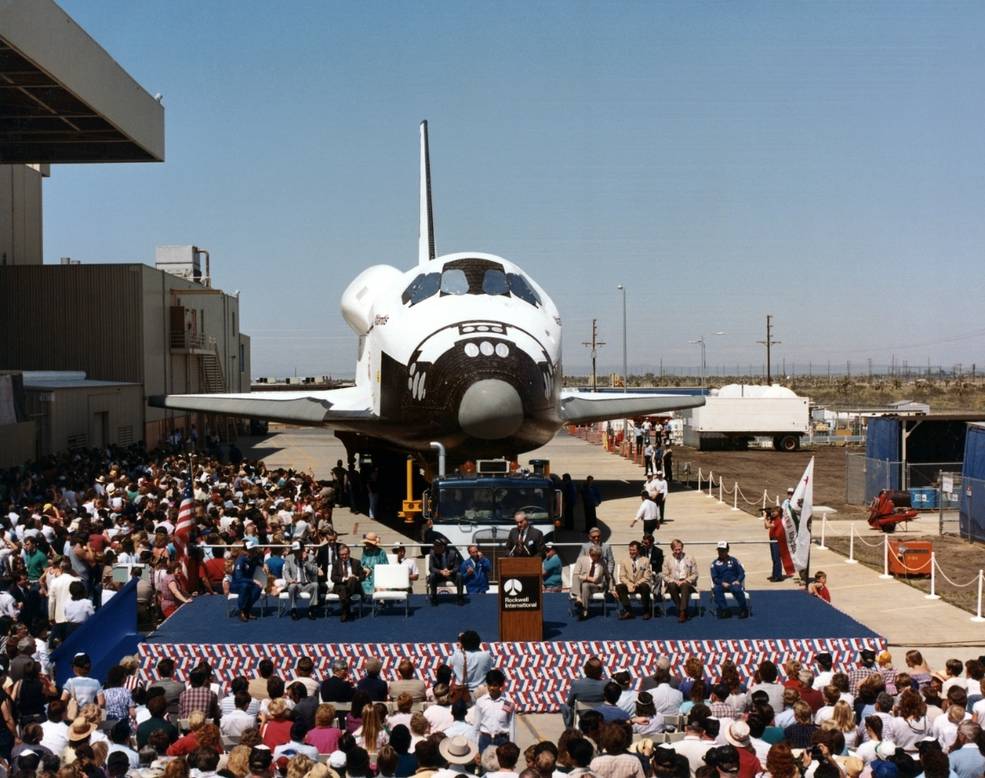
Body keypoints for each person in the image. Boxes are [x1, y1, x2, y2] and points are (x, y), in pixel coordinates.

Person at [474, 669, 514, 753]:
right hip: (485, 740)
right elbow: (476, 727)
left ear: (500, 686)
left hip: (502, 741)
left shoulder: (508, 702)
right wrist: (475, 747)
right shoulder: (481, 702)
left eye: (495, 685)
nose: (491, 688)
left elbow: (511, 725)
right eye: (489, 685)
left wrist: (512, 745)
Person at [561, 658, 608, 728]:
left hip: (584, 715)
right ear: (600, 671)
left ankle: (570, 730)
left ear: (585, 670)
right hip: (602, 715)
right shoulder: (607, 684)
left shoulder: (577, 684)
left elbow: (569, 704)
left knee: (565, 707)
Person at [661, 539, 698, 623]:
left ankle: (682, 612)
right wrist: (673, 580)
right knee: (671, 585)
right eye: (676, 549)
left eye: (679, 549)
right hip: (673, 582)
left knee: (684, 586)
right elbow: (664, 575)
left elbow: (695, 574)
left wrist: (686, 580)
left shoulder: (690, 558)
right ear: (672, 549)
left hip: (687, 582)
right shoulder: (667, 559)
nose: (678, 551)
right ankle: (682, 609)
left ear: (682, 548)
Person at [615, 541, 652, 620]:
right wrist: (628, 584)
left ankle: (646, 611)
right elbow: (622, 576)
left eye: (634, 550)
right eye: (630, 550)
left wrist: (637, 583)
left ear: (638, 550)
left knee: (645, 586)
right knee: (619, 587)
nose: (631, 552)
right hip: (629, 585)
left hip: (640, 585)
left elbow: (647, 577)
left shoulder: (645, 560)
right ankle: (629, 611)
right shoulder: (624, 561)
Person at [448, 631, 493, 696]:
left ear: (463, 643)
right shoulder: (486, 656)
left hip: (462, 693)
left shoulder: (456, 655)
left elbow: (451, 661)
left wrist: (460, 647)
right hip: (481, 693)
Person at [710, 542, 748, 619]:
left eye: (723, 550)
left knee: (737, 589)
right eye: (719, 550)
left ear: (727, 550)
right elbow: (714, 578)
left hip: (733, 583)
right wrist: (722, 583)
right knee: (716, 590)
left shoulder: (734, 561)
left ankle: (744, 609)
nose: (720, 552)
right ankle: (725, 610)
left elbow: (741, 573)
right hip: (722, 584)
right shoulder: (714, 564)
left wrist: (738, 580)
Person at [282, 543, 319, 621]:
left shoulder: (311, 557)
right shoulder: (289, 558)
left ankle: (311, 609)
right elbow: (286, 571)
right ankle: (293, 609)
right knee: (292, 586)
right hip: (296, 583)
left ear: (302, 550)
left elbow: (315, 571)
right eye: (294, 551)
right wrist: (290, 579)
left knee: (315, 585)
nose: (296, 553)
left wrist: (306, 562)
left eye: (298, 551)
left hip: (307, 583)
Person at [330, 544, 366, 622]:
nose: (344, 556)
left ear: (349, 553)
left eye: (346, 554)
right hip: (340, 586)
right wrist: (343, 579)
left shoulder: (356, 562)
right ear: (339, 555)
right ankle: (346, 608)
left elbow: (363, 576)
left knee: (352, 578)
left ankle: (344, 611)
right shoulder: (336, 563)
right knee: (343, 588)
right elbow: (333, 578)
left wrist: (357, 577)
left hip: (354, 585)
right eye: (342, 555)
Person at [571, 546, 608, 621]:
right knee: (579, 580)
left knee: (585, 585)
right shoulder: (581, 560)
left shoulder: (602, 562)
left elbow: (608, 576)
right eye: (593, 555)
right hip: (583, 584)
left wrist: (611, 588)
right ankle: (584, 609)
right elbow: (576, 574)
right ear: (589, 554)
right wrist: (587, 578)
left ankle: (580, 604)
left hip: (596, 585)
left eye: (598, 555)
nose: (595, 557)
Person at [231, 545, 263, 622]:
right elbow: (239, 578)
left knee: (258, 588)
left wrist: (264, 565)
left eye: (253, 550)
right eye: (250, 550)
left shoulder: (254, 559)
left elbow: (260, 562)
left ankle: (247, 610)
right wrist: (253, 581)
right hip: (237, 584)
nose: (253, 552)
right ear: (245, 551)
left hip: (249, 583)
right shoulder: (240, 561)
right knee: (244, 586)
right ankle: (242, 611)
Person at [427, 540, 464, 605]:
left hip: (450, 575)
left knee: (459, 575)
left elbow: (457, 567)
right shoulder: (432, 553)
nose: (435, 548)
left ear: (443, 547)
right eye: (435, 546)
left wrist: (450, 571)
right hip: (439, 575)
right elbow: (431, 568)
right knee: (432, 575)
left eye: (437, 546)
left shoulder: (452, 553)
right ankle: (434, 597)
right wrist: (441, 571)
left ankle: (460, 597)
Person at [359, 533, 389, 597]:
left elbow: (386, 566)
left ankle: (380, 599)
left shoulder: (381, 552)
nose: (366, 544)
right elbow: (361, 564)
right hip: (366, 575)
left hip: (378, 575)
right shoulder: (365, 552)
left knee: (378, 582)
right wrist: (366, 569)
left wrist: (375, 571)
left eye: (367, 543)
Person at [763, 507, 786, 582]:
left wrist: (765, 518)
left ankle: (778, 576)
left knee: (776, 558)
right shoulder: (773, 519)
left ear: (778, 513)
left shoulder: (778, 520)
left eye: (774, 512)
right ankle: (774, 574)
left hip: (777, 540)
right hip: (773, 539)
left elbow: (769, 526)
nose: (772, 513)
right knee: (774, 558)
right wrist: (767, 518)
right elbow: (766, 527)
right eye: (772, 512)